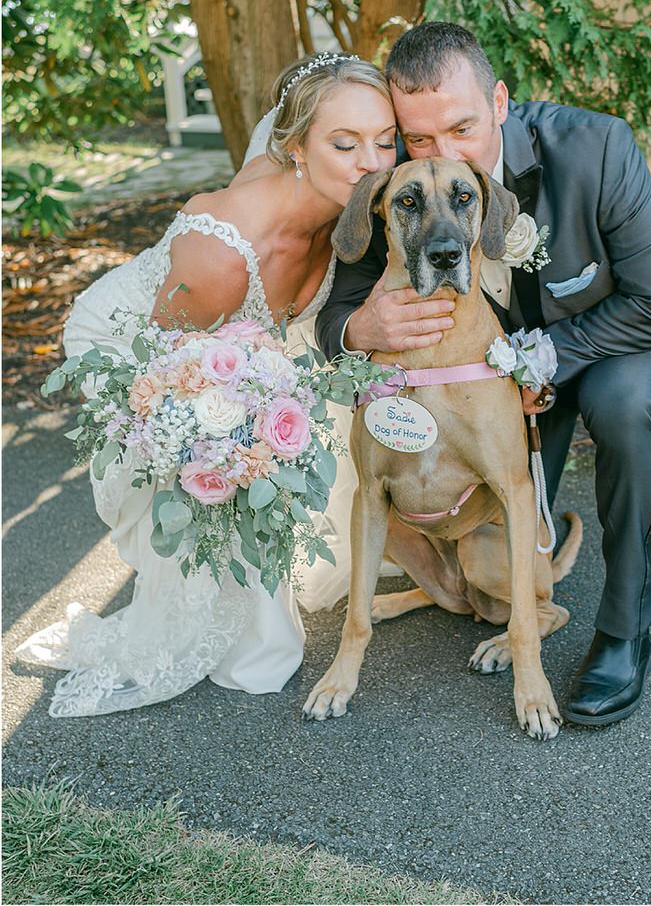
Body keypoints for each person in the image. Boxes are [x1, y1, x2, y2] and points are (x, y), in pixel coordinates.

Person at [316, 22, 651, 727]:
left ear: (497, 100)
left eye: (460, 127)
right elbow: (340, 303)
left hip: (614, 340)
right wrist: (359, 329)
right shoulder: (408, 184)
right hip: (485, 375)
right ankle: (469, 588)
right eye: (420, 138)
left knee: (621, 409)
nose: (442, 153)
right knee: (509, 511)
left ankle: (622, 636)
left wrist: (546, 358)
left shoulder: (596, 149)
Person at [17, 53, 398, 717]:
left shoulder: (354, 216)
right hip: (139, 343)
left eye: (385, 140)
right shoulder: (222, 251)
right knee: (216, 458)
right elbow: (163, 372)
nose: (373, 162)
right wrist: (229, 439)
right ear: (294, 148)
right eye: (345, 143)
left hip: (240, 348)